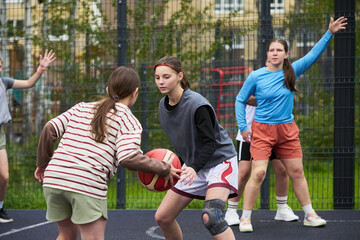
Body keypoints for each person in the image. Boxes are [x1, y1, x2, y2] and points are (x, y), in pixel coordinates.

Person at [34, 66, 181, 240]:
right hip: (85, 183)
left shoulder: (81, 108)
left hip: (54, 178)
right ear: (135, 92)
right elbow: (128, 157)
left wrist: (43, 165)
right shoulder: (128, 120)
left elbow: (49, 128)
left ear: (107, 90)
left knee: (66, 234)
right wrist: (163, 168)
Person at [235, 16, 347, 232]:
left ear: (286, 54)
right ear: (267, 54)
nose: (275, 53)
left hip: (287, 130)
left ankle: (310, 215)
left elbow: (313, 54)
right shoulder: (256, 76)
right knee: (258, 173)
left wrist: (329, 33)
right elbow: (240, 100)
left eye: (279, 50)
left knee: (297, 171)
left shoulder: (292, 71)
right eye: (271, 50)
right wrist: (243, 126)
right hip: (262, 131)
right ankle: (245, 218)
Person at [153, 56, 239, 240]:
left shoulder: (197, 105)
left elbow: (211, 143)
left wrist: (193, 167)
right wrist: (177, 165)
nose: (161, 81)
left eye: (166, 76)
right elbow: (184, 142)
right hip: (195, 164)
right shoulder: (162, 106)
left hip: (219, 161)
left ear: (179, 76)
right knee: (163, 217)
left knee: (212, 217)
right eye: (157, 77)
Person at [225, 97, 299, 231]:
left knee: (282, 170)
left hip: (275, 131)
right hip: (249, 132)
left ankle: (282, 208)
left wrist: (285, 96)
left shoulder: (283, 78)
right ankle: (231, 211)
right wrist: (273, 98)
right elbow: (246, 99)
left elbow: (293, 100)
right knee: (244, 171)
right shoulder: (255, 77)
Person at [0, 50, 56, 223]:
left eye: (0, 66)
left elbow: (29, 83)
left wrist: (40, 69)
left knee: (4, 176)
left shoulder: (4, 82)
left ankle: (0, 209)